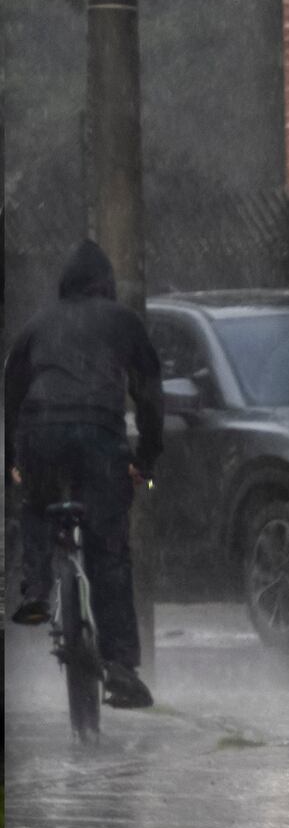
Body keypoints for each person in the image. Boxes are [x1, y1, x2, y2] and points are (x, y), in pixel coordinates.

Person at [5, 239, 163, 709]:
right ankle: (120, 668)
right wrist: (146, 459)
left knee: (36, 505)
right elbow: (150, 395)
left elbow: (10, 394)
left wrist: (13, 459)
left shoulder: (36, 326)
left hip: (40, 434)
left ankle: (36, 590)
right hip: (100, 437)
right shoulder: (124, 322)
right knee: (108, 550)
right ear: (106, 285)